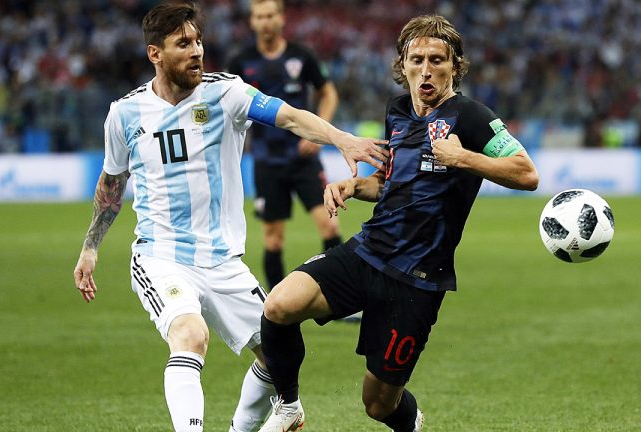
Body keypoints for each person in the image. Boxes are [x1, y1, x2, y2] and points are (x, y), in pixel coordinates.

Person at [71, 3, 386, 432]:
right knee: (190, 334)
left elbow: (290, 116)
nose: (196, 50)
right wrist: (91, 247)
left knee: (279, 359)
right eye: (183, 44)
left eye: (198, 40)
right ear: (155, 54)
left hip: (223, 260)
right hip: (162, 256)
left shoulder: (226, 93)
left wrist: (340, 139)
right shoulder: (125, 114)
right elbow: (111, 184)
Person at [256, 14, 539, 432]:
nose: (426, 70)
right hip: (367, 252)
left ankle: (411, 423)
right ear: (402, 65)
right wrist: (353, 186)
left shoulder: (474, 118)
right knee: (279, 305)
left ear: (455, 67)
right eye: (417, 59)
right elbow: (390, 182)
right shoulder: (397, 111)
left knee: (378, 404)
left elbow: (526, 172)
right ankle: (288, 406)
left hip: (418, 279)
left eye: (437, 60)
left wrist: (463, 158)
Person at [227, 0, 342, 291]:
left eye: (270, 15)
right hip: (267, 161)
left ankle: (337, 297)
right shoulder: (240, 62)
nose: (265, 21)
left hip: (303, 158)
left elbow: (329, 94)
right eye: (259, 16)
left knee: (329, 226)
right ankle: (278, 309)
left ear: (281, 18)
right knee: (273, 238)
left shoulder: (302, 56)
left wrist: (319, 133)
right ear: (252, 22)